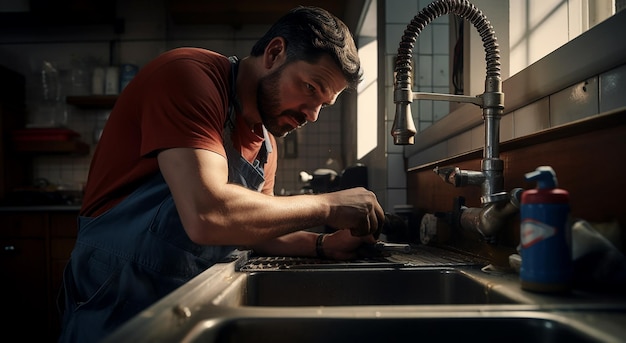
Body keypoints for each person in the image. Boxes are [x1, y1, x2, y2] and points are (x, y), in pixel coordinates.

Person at [58, 6, 384, 342]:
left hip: (188, 297)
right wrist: (328, 206)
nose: (313, 115)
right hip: (117, 293)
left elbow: (255, 227)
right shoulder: (189, 76)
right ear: (274, 53)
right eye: (311, 88)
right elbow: (208, 213)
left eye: (324, 104)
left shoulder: (266, 144)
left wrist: (322, 244)